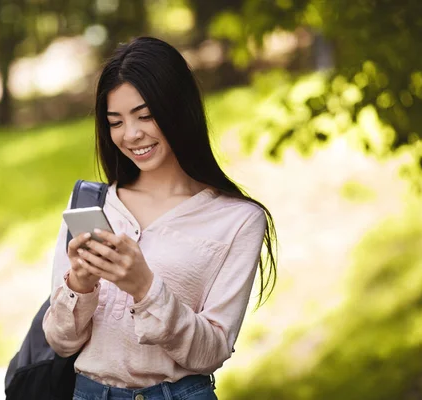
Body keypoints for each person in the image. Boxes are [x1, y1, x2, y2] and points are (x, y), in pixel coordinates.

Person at [43, 36, 277, 400]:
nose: (131, 134)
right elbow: (60, 343)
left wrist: (144, 288)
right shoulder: (93, 206)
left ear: (178, 109)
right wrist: (81, 284)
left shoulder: (238, 220)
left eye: (145, 116)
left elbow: (211, 352)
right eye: (115, 121)